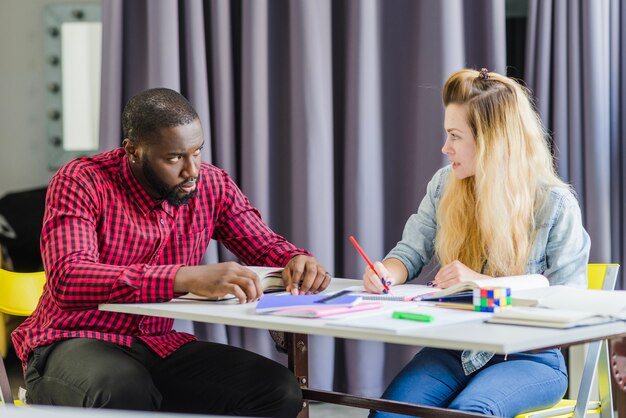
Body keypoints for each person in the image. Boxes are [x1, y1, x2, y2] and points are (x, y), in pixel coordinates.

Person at [12, 87, 331, 417]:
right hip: (71, 339)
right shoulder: (82, 181)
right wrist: (183, 277)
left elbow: (264, 245)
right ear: (133, 151)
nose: (192, 170)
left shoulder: (211, 185)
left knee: (277, 390)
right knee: (123, 389)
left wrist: (294, 260)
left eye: (197, 152)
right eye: (174, 158)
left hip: (156, 345)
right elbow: (70, 278)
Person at [363, 68, 590, 417]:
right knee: (388, 412)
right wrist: (387, 272)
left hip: (531, 357)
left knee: (471, 411)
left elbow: (569, 305)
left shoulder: (555, 205)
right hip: (457, 347)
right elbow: (408, 253)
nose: (445, 147)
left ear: (491, 141)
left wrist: (484, 285)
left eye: (455, 136)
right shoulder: (443, 185)